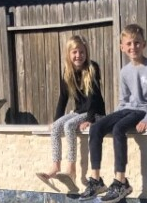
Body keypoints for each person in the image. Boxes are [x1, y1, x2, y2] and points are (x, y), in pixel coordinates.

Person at [79, 24, 147, 203]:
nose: (133, 47)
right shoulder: (124, 71)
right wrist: (107, 120)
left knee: (119, 129)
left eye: (137, 43)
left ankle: (121, 182)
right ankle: (96, 180)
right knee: (97, 128)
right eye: (129, 44)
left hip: (142, 111)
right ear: (122, 47)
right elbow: (123, 101)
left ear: (144, 44)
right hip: (127, 110)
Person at [37, 35, 104, 181]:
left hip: (95, 112)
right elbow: (63, 99)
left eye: (81, 52)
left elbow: (94, 98)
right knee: (56, 127)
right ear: (69, 54)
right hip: (80, 111)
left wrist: (90, 120)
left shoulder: (92, 68)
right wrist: (56, 120)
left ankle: (71, 169)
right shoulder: (67, 72)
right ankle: (55, 166)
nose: (78, 55)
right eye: (74, 52)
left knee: (69, 126)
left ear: (86, 53)